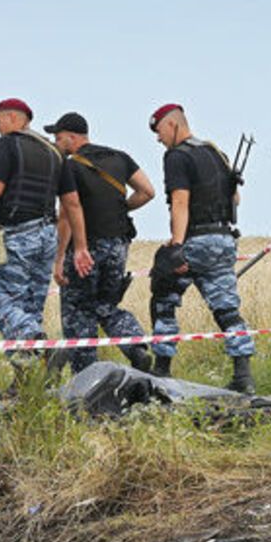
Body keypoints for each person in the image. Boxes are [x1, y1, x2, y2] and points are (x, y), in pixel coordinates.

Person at [147, 103, 255, 394]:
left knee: (163, 296)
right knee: (227, 310)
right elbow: (236, 199)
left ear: (172, 125)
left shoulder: (177, 156)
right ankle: (244, 378)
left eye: (158, 131)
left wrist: (177, 247)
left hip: (196, 240)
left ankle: (161, 370)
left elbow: (180, 201)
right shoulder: (214, 152)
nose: (158, 139)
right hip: (223, 239)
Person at [0, 98, 94, 349]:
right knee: (30, 306)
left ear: (15, 118)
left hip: (16, 236)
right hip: (47, 236)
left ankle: (35, 338)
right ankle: (29, 374)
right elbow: (72, 203)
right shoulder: (54, 153)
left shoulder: (6, 145)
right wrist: (80, 246)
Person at [46, 111, 157, 375]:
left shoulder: (69, 166)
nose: (56, 144)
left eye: (59, 138)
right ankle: (135, 347)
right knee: (106, 305)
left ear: (72, 138)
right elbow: (147, 191)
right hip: (119, 245)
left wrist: (60, 257)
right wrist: (122, 208)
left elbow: (66, 213)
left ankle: (86, 378)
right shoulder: (119, 157)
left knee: (78, 311)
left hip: (86, 248)